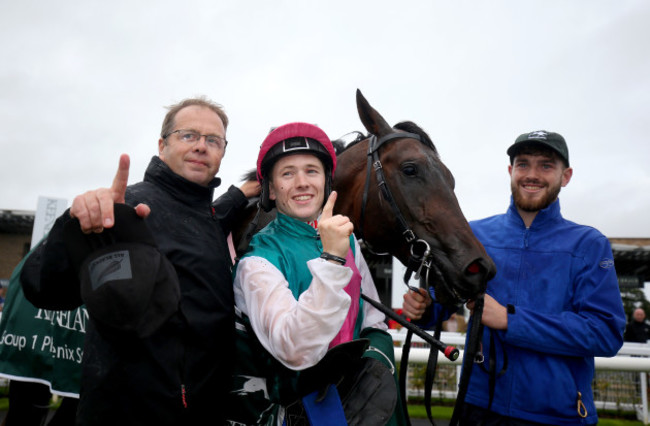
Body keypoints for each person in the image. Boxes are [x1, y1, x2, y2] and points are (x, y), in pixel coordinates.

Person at [20, 97, 260, 426]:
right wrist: (77, 226)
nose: (202, 147)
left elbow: (207, 221)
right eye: (189, 135)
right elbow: (40, 286)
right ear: (162, 145)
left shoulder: (205, 218)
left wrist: (242, 192)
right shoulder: (129, 208)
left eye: (213, 140)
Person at [403, 130, 626, 425]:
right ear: (510, 171)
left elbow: (605, 333)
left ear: (566, 175)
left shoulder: (588, 244)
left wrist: (510, 319)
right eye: (523, 164)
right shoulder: (474, 234)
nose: (532, 174)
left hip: (558, 415)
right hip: (479, 407)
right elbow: (446, 299)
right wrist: (425, 309)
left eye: (546, 165)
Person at [225, 123, 405, 425]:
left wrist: (375, 361)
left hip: (355, 405)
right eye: (287, 173)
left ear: (326, 181)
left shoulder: (345, 239)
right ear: (271, 189)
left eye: (311, 171)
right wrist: (332, 259)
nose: (301, 182)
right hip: (288, 412)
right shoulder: (256, 261)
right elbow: (295, 349)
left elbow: (372, 321)